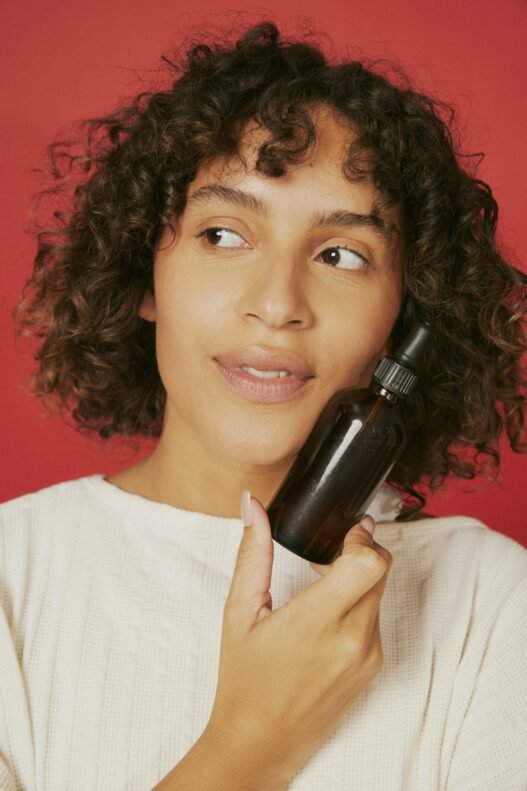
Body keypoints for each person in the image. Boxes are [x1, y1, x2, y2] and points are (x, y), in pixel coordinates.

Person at [1, 19, 526, 791]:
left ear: (403, 319)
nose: (277, 304)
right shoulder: (14, 572)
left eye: (340, 254)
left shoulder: (491, 602)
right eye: (223, 234)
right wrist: (251, 742)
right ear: (144, 274)